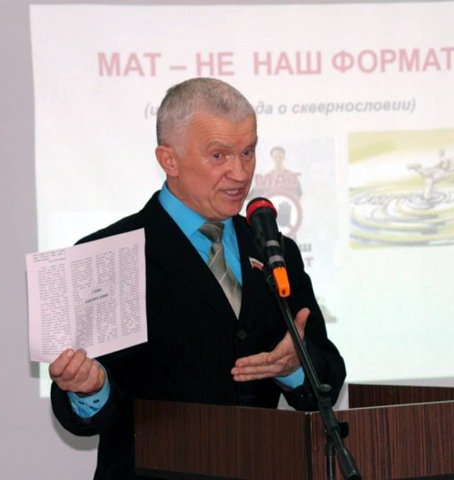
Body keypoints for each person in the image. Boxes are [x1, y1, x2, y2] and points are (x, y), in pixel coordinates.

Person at [48, 78, 346, 479]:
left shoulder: (273, 250)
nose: (240, 172)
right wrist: (90, 388)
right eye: (219, 155)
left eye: (247, 152)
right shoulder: (108, 256)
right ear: (169, 160)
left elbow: (328, 377)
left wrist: (295, 366)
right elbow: (81, 411)